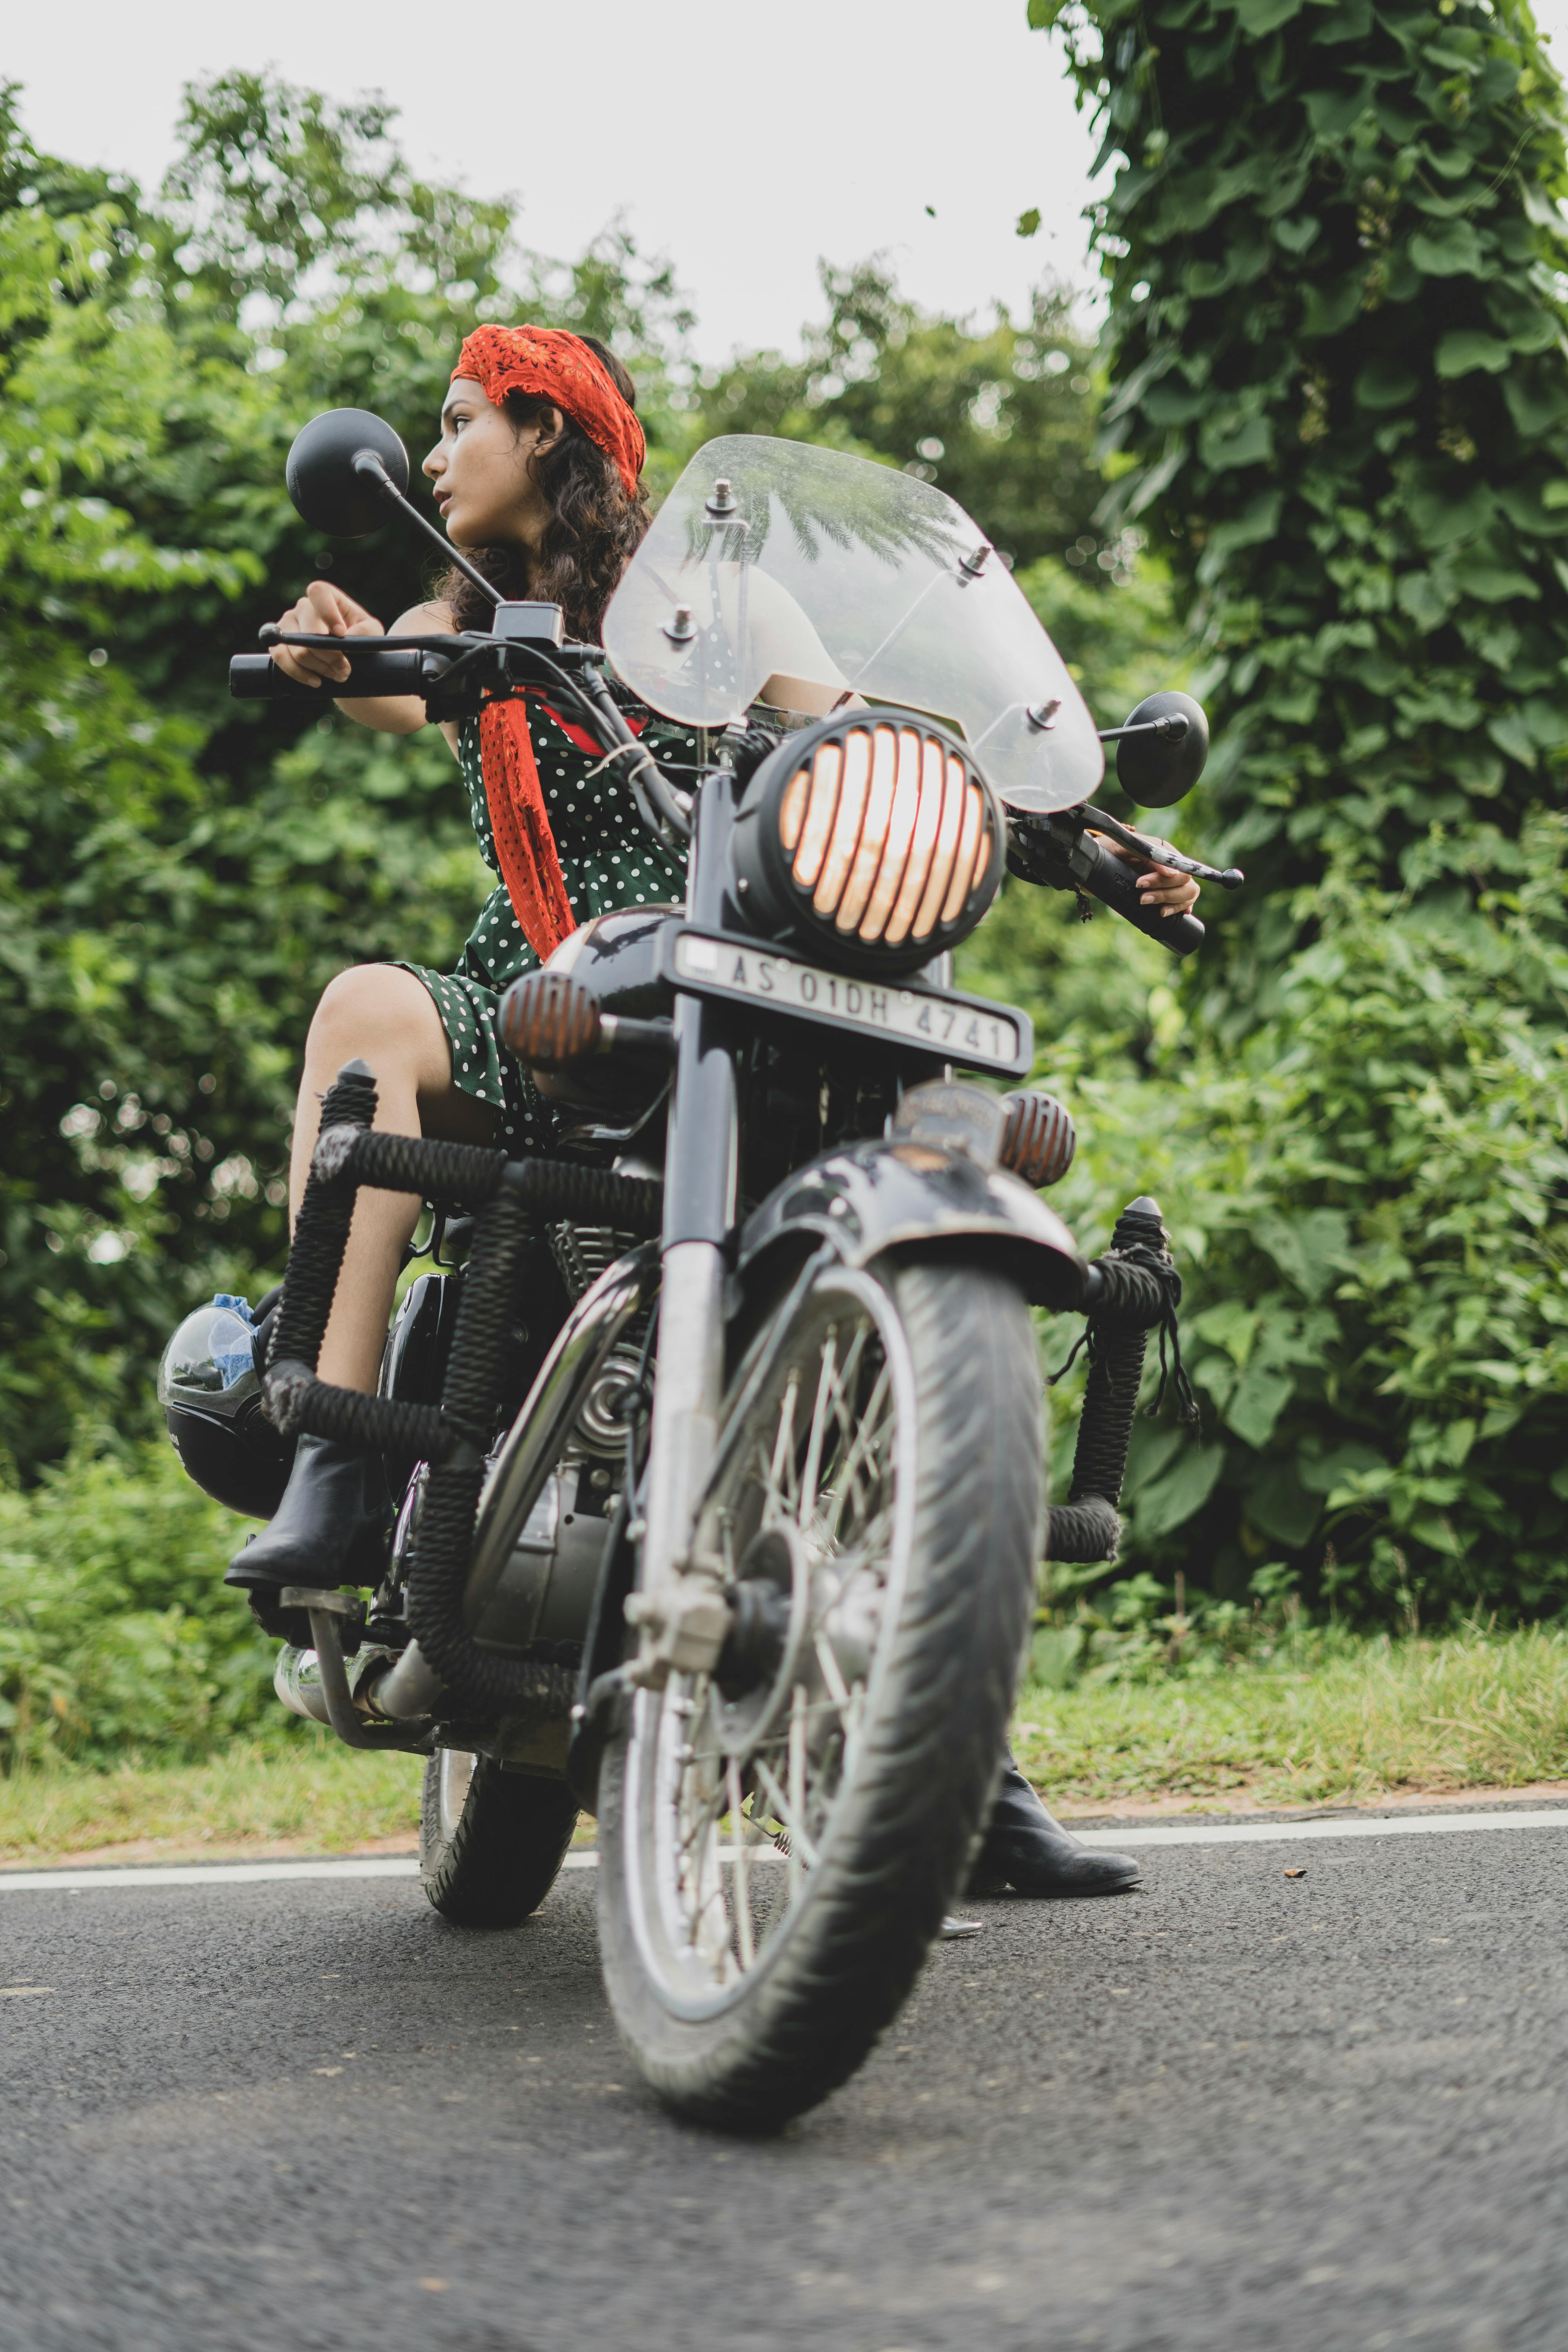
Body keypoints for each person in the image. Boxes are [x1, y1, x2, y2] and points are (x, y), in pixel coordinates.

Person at [227, 323, 1197, 1897]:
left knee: (946, 1155)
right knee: (365, 1011)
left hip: (737, 998)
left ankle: (963, 1752)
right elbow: (392, 693)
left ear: (548, 431)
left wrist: (1087, 841)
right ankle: (334, 1469)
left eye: (464, 417)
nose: (435, 446)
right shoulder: (477, 613)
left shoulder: (715, 597)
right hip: (558, 998)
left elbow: (883, 751)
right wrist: (339, 655)